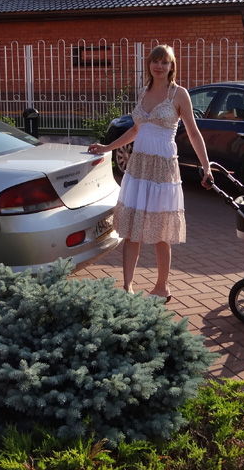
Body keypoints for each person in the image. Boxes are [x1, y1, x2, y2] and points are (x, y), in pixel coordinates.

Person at [88, 44, 213, 301]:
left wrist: (206, 166)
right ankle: (127, 288)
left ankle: (162, 287)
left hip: (163, 170)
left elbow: (193, 132)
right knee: (131, 230)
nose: (159, 66)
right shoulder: (144, 91)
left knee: (161, 232)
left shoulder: (179, 94)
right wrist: (108, 147)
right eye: (155, 61)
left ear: (171, 66)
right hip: (138, 168)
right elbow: (137, 129)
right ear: (149, 64)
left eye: (164, 62)